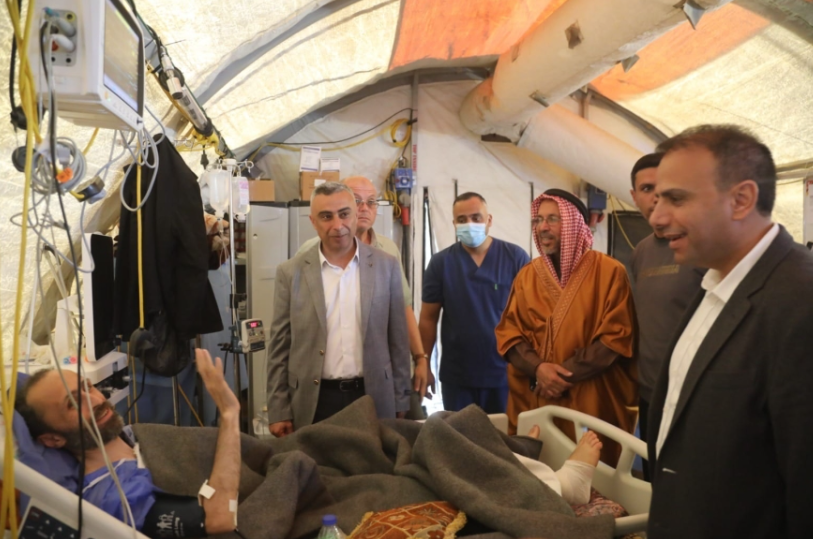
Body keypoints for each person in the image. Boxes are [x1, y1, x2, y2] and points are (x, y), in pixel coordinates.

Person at [646, 125, 813, 539]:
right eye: (657, 198)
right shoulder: (715, 283)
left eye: (676, 199)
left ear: (741, 200)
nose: (657, 217)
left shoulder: (800, 303)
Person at [14, 349, 240, 538]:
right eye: (73, 404)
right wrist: (229, 414)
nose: (96, 400)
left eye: (88, 387)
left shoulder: (131, 435)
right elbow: (217, 519)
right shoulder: (113, 498)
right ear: (53, 439)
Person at [494, 189, 637, 466]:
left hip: (591, 397)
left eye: (553, 219)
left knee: (592, 476)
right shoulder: (527, 276)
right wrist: (538, 369)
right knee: (539, 474)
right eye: (538, 220)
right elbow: (510, 333)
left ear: (574, 224)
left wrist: (559, 377)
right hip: (537, 395)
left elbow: (615, 337)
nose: (543, 227)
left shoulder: (609, 272)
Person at [266, 181, 411, 437]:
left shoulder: (386, 266)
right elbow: (279, 346)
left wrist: (401, 397)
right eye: (326, 216)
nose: (338, 225)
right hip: (314, 401)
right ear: (313, 221)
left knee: (374, 463)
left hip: (373, 397)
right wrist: (278, 409)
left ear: (355, 215)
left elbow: (398, 339)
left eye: (344, 214)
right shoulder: (290, 273)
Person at [297, 176, 432, 413]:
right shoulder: (309, 252)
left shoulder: (388, 252)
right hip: (326, 382)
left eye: (371, 202)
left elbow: (403, 309)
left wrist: (420, 358)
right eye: (357, 201)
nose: (364, 208)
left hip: (380, 375)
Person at [419, 192, 530, 413]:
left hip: (505, 374)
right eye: (462, 219)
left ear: (489, 220)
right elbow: (428, 319)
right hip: (458, 377)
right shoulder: (441, 264)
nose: (469, 224)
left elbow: (531, 316)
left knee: (503, 433)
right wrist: (423, 363)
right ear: (454, 224)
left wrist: (532, 366)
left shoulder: (515, 258)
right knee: (460, 433)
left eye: (476, 217)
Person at [628, 153, 703, 478]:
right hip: (650, 392)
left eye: (664, 188)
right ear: (634, 196)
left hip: (693, 396)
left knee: (689, 482)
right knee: (654, 479)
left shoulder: (701, 247)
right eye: (647, 189)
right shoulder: (641, 252)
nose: (656, 197)